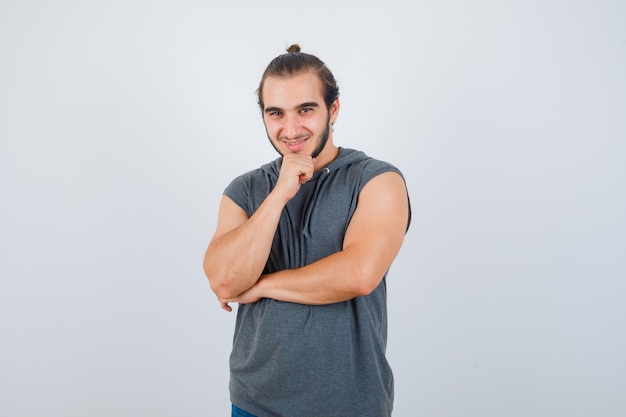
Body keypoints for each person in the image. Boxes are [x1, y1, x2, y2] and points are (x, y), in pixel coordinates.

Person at [203, 44, 411, 417]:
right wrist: (280, 193)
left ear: (333, 109)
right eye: (276, 113)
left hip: (351, 404)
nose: (291, 128)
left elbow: (359, 274)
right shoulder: (245, 190)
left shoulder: (376, 180)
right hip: (255, 403)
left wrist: (261, 285)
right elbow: (223, 280)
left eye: (306, 109)